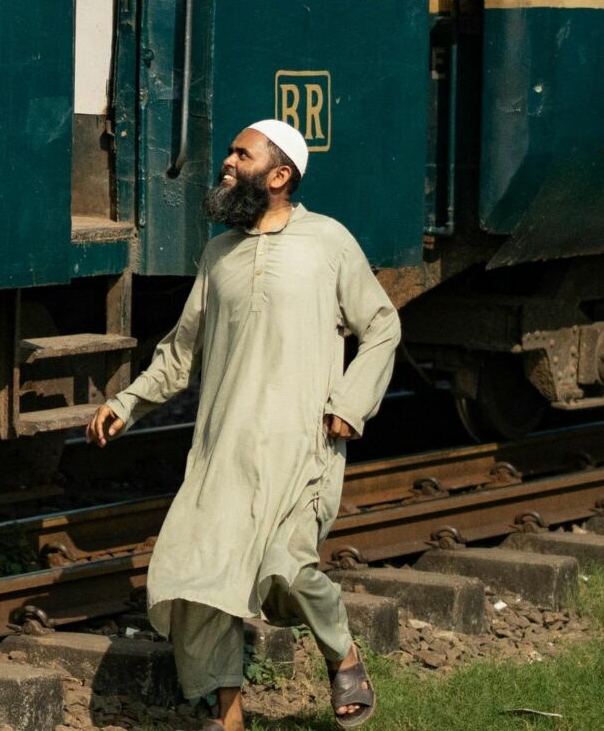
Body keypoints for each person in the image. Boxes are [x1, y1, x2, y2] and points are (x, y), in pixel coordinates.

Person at [87, 119, 401, 731]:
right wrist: (128, 403)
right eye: (230, 152)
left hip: (301, 447)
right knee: (198, 582)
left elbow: (382, 326)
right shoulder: (219, 255)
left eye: (241, 154)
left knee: (286, 573)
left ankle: (342, 651)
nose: (227, 162)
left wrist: (351, 400)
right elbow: (182, 353)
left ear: (280, 176)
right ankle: (229, 717)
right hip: (222, 453)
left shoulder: (330, 242)